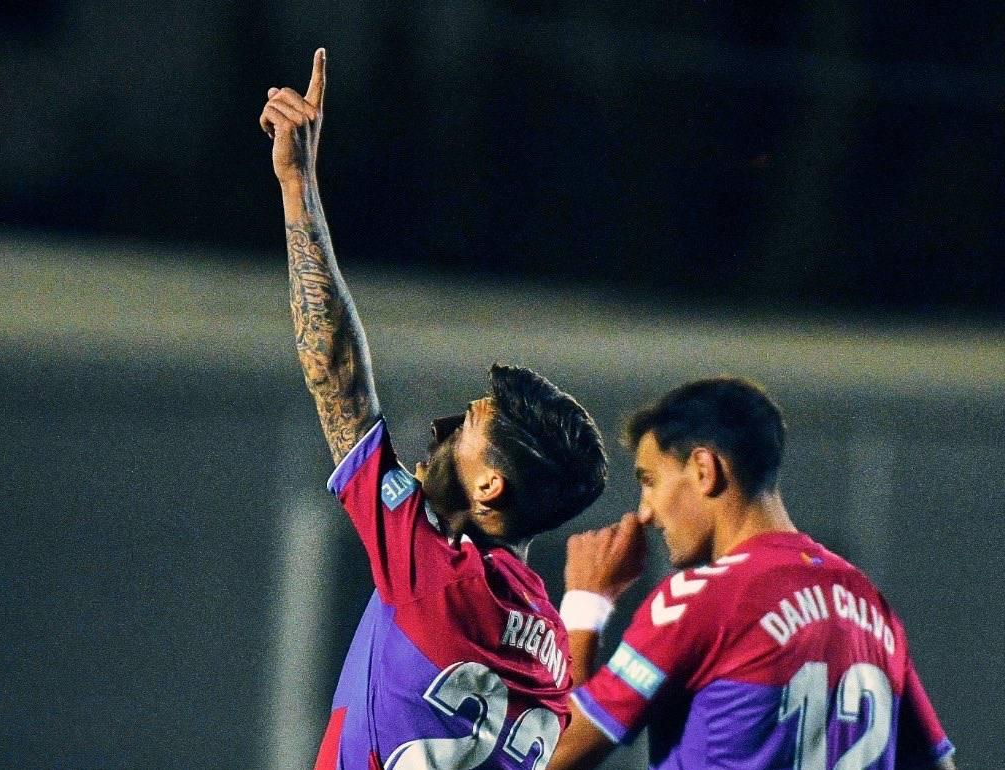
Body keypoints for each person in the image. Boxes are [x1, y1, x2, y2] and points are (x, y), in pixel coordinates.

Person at [261, 49, 611, 770]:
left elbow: (336, 375)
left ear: (491, 489)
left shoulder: (442, 580)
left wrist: (299, 185)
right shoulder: (544, 648)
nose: (447, 428)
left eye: (471, 424)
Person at [548, 377, 955, 770]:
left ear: (704, 469)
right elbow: (938, 764)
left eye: (650, 481)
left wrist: (587, 602)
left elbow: (554, 753)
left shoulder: (701, 598)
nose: (646, 512)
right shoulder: (869, 605)